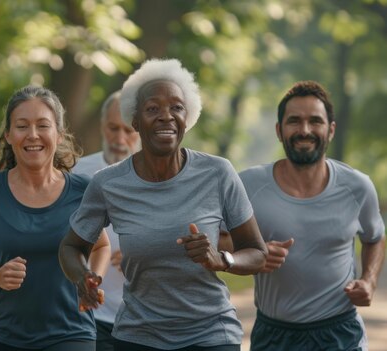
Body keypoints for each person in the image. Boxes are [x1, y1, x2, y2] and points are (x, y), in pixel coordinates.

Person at [59, 58, 268, 351]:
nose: (166, 116)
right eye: (152, 108)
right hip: (138, 336)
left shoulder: (217, 173)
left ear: (188, 117)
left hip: (210, 334)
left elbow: (258, 253)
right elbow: (71, 247)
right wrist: (83, 277)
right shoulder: (108, 183)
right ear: (135, 120)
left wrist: (221, 259)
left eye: (176, 108)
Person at [0, 85, 110, 351]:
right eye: (22, 126)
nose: (33, 135)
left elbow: (101, 245)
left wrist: (91, 279)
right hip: (6, 336)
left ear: (59, 133)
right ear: (8, 135)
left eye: (43, 125)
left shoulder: (83, 191)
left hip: (72, 333)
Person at [239, 81, 386, 351]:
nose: (304, 130)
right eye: (294, 121)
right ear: (279, 131)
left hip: (339, 333)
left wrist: (369, 280)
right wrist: (254, 251)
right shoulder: (248, 186)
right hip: (274, 335)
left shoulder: (357, 187)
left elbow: (375, 237)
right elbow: (217, 240)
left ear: (330, 130)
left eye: (315, 121)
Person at [72, 90, 140, 351]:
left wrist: (143, 254)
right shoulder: (76, 173)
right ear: (102, 126)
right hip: (91, 314)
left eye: (128, 130)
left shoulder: (162, 179)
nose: (119, 139)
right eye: (113, 128)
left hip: (143, 317)